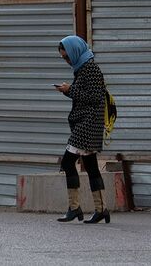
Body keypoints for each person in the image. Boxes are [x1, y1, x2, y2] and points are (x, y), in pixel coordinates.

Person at [53, 35, 109, 224]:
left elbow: (95, 97)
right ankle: (101, 210)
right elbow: (85, 96)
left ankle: (74, 208)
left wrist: (69, 90)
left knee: (68, 163)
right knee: (92, 167)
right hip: (86, 124)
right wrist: (68, 91)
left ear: (75, 51)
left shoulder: (90, 68)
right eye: (64, 58)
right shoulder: (82, 68)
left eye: (67, 57)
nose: (67, 61)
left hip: (88, 126)